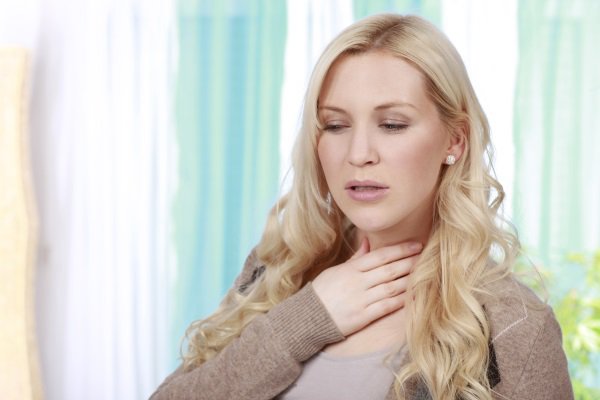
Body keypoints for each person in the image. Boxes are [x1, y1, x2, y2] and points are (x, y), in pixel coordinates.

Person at [151, 14, 573, 400]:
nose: (358, 154)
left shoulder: (513, 327)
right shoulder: (277, 272)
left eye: (392, 125)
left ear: (455, 141)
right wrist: (305, 319)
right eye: (336, 125)